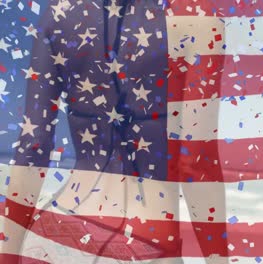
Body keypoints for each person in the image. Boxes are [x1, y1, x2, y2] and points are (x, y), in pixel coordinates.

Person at [1, 0, 228, 263]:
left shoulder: (60, 12)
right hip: (145, 242)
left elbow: (33, 146)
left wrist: (8, 257)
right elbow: (197, 163)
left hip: (57, 233)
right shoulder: (198, 20)